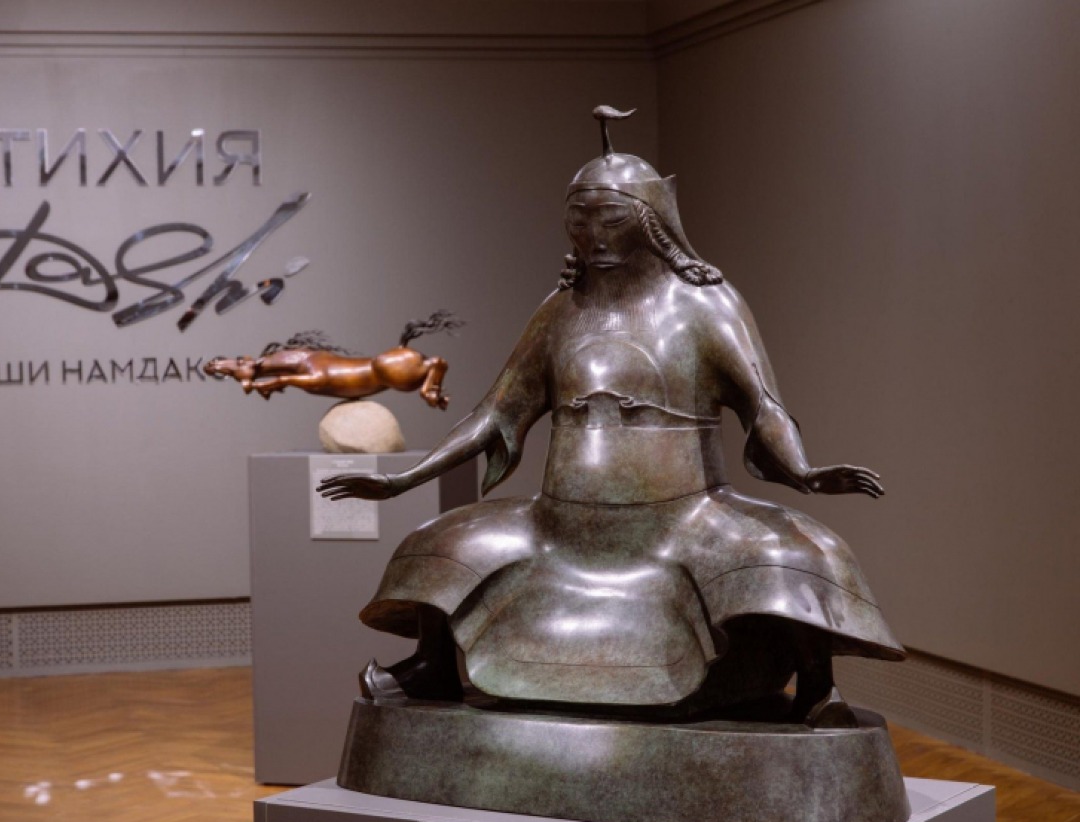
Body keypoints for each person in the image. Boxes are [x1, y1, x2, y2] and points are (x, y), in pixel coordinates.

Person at [318, 107, 902, 727]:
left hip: (684, 519)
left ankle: (816, 686)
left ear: (651, 222)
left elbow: (763, 404)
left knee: (799, 552)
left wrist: (803, 472)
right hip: (559, 523)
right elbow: (494, 410)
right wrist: (404, 479)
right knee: (439, 543)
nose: (594, 235)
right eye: (580, 219)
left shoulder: (705, 306)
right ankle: (433, 664)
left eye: (612, 218)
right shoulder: (559, 310)